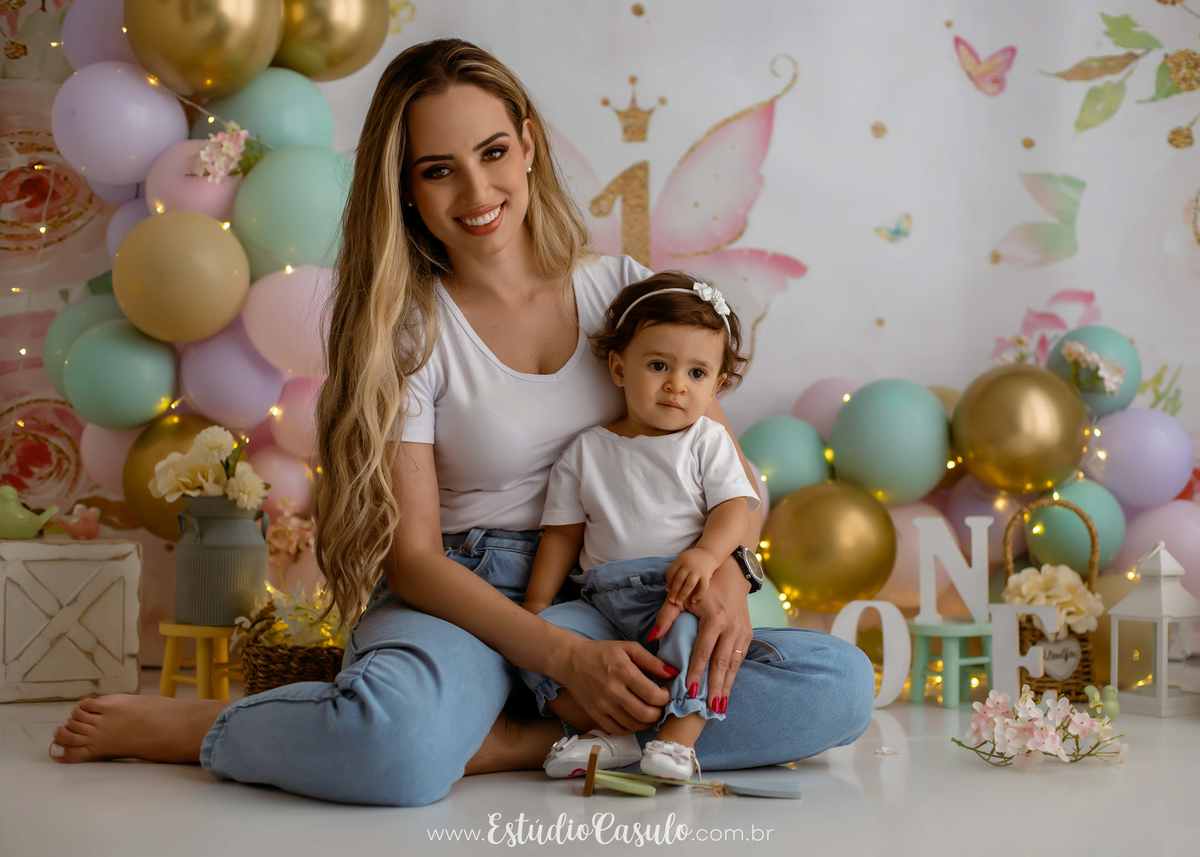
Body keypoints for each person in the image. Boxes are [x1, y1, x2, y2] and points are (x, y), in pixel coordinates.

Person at [46, 38, 875, 807]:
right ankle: (220, 726)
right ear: (405, 186)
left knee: (838, 685)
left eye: (493, 153)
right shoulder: (408, 328)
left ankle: (509, 740)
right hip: (465, 593)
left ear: (528, 143)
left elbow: (724, 467)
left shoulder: (621, 293)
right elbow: (412, 558)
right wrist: (562, 654)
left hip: (623, 593)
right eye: (439, 170)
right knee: (391, 747)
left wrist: (727, 571)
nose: (478, 193)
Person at [522, 271, 763, 782]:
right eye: (658, 366)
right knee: (539, 642)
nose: (677, 384)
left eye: (697, 373)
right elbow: (562, 535)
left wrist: (707, 556)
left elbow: (734, 509)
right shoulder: (586, 450)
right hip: (601, 603)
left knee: (698, 644)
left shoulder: (706, 441)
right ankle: (608, 734)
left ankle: (677, 742)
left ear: (717, 385)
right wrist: (537, 605)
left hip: (681, 591)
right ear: (618, 368)